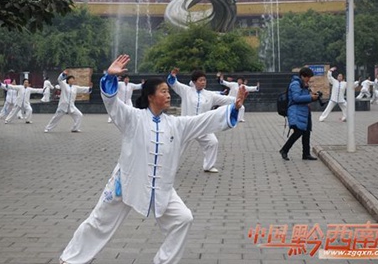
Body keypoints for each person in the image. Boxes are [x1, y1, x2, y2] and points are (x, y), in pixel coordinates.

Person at [59, 54, 247, 264]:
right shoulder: (132, 118)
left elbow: (203, 120)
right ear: (150, 96)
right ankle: (71, 259)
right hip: (126, 183)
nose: (168, 96)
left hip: (161, 187)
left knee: (183, 219)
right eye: (164, 92)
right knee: (99, 221)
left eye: (169, 92)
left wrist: (234, 108)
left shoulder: (176, 124)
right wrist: (110, 78)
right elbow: (113, 105)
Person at [167, 68, 235, 173]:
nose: (203, 82)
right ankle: (168, 167)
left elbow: (226, 99)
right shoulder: (186, 91)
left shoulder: (209, 95)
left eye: (204, 80)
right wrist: (173, 76)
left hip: (203, 124)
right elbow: (174, 83)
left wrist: (238, 99)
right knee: (177, 146)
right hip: (187, 125)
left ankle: (209, 166)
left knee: (212, 142)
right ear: (194, 82)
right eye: (200, 80)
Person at [279, 67, 319, 161]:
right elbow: (296, 98)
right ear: (302, 76)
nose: (309, 79)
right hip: (296, 111)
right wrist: (310, 97)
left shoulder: (303, 84)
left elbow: (304, 96)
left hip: (304, 111)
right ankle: (284, 150)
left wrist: (314, 96)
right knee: (298, 131)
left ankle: (306, 154)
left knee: (307, 132)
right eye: (307, 77)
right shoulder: (295, 84)